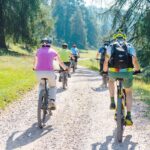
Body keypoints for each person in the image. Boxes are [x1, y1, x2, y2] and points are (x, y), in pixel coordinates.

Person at [103, 30, 141, 125]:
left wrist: (104, 70)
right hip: (127, 72)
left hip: (113, 72)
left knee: (111, 81)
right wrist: (137, 70)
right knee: (128, 92)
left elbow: (106, 60)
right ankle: (128, 115)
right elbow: (134, 60)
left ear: (115, 38)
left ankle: (112, 101)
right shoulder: (129, 46)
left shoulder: (111, 46)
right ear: (124, 38)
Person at [33, 38, 68, 110]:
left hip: (39, 72)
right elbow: (60, 62)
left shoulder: (38, 51)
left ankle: (40, 99)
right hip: (49, 72)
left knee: (41, 84)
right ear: (50, 44)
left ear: (41, 43)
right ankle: (52, 100)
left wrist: (34, 67)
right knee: (52, 86)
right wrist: (65, 68)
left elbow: (35, 62)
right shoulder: (53, 51)